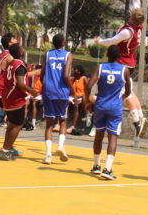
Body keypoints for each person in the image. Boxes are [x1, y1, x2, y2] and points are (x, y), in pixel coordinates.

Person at [93, 0, 147, 137]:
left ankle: (136, 121)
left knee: (126, 93)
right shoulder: (137, 25)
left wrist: (100, 41)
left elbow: (113, 41)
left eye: (131, 13)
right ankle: (140, 116)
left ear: (132, 17)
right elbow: (136, 2)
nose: (130, 12)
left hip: (123, 62)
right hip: (130, 61)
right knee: (131, 91)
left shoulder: (127, 32)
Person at [84, 45, 131, 180]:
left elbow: (88, 86)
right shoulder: (124, 70)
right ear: (119, 56)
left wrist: (87, 100)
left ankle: (96, 165)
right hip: (115, 107)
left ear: (107, 55)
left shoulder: (100, 68)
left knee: (99, 135)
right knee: (113, 137)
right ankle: (108, 169)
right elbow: (128, 90)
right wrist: (122, 97)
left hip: (101, 105)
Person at [0, 42, 39, 160]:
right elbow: (20, 84)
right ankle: (5, 150)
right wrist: (32, 91)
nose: (23, 49)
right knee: (17, 125)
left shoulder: (11, 64)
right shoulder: (19, 65)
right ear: (18, 52)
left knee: (11, 124)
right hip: (15, 98)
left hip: (7, 97)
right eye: (21, 48)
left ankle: (6, 148)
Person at [40, 33, 74, 164]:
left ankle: (48, 155)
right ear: (64, 42)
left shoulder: (47, 54)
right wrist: (72, 90)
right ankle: (60, 146)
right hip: (61, 91)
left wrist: (46, 84)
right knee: (63, 120)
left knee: (49, 124)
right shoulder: (68, 55)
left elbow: (42, 73)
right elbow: (66, 75)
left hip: (48, 90)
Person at [67, 65, 87, 135]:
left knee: (76, 106)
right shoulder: (73, 80)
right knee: (64, 103)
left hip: (82, 97)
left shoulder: (84, 79)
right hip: (74, 97)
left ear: (79, 72)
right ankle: (59, 124)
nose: (73, 71)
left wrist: (78, 97)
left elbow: (87, 90)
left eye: (75, 70)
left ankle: (73, 127)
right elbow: (70, 91)